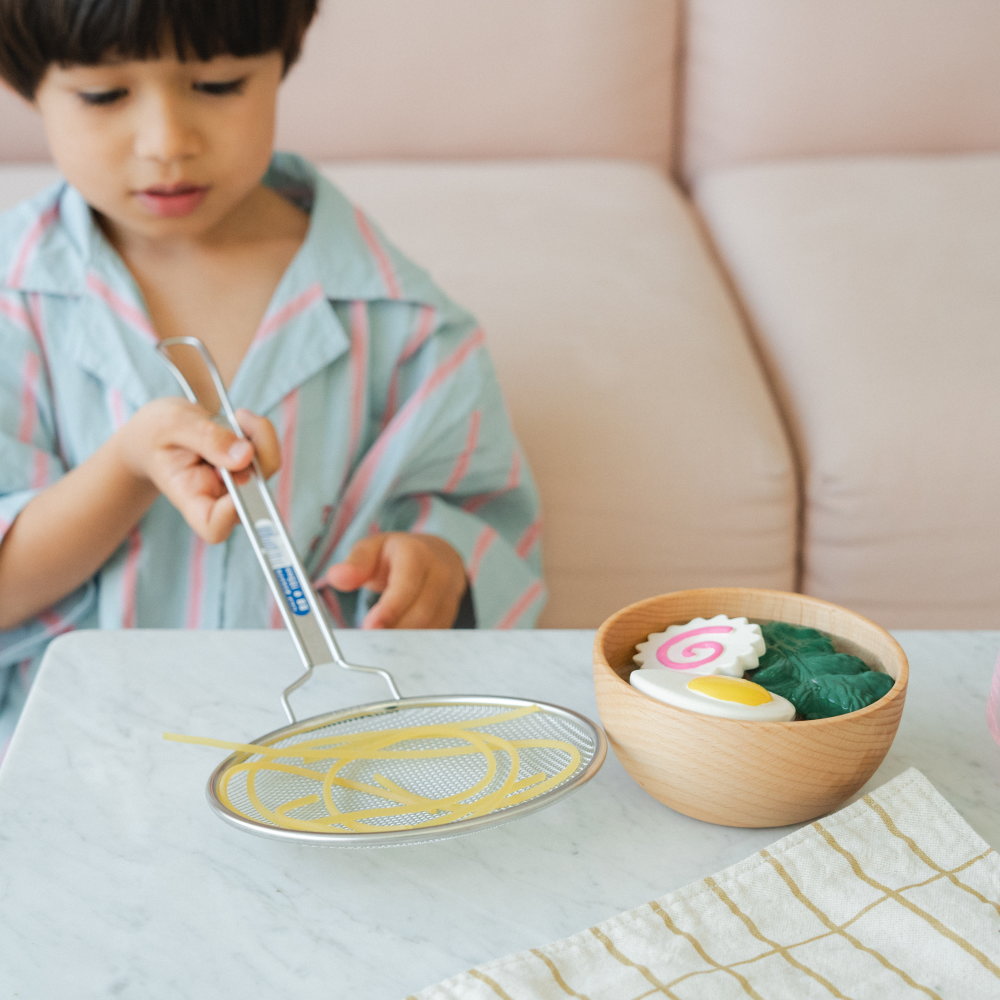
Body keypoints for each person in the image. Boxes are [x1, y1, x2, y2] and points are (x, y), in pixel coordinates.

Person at [0, 0, 544, 749]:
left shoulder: (405, 323)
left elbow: (490, 536)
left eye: (218, 85)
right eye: (104, 95)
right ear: (27, 83)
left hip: (335, 769)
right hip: (69, 772)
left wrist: (435, 570)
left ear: (280, 62)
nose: (167, 143)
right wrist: (126, 468)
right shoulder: (12, 307)